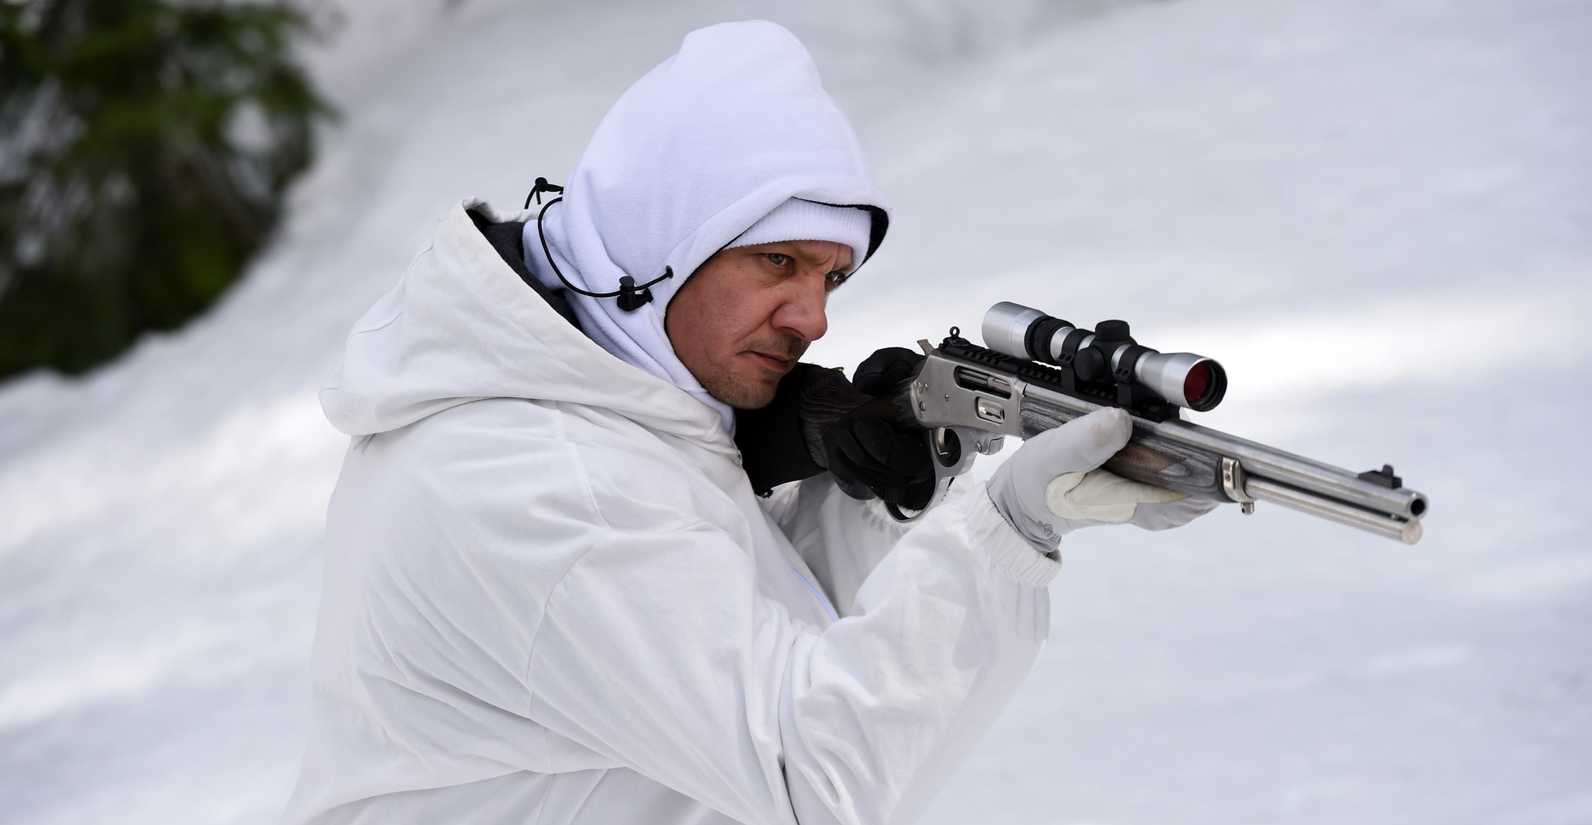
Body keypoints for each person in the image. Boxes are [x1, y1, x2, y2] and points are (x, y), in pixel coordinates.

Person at [284, 20, 1213, 825]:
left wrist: (887, 490)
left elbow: (746, 636)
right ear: (657, 242)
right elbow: (810, 770)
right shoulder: (537, 477)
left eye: (831, 278)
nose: (813, 319)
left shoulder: (601, 413)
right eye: (778, 261)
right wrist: (1005, 534)